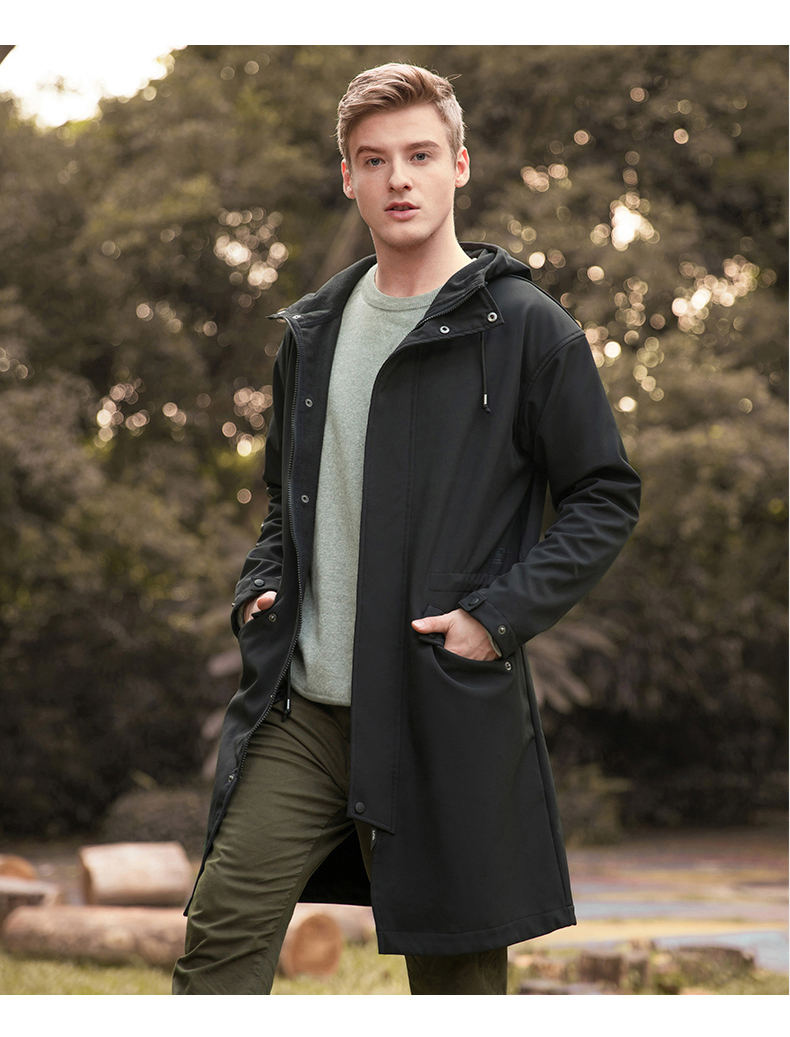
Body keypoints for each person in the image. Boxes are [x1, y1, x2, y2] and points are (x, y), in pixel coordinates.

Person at [172, 62, 641, 996]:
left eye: (420, 155)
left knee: (456, 977)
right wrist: (263, 583)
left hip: (440, 704)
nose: (399, 178)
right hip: (303, 709)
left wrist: (495, 619)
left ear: (459, 166)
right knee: (218, 942)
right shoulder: (313, 331)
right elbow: (285, 497)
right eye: (374, 159)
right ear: (348, 176)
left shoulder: (527, 327)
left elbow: (604, 495)